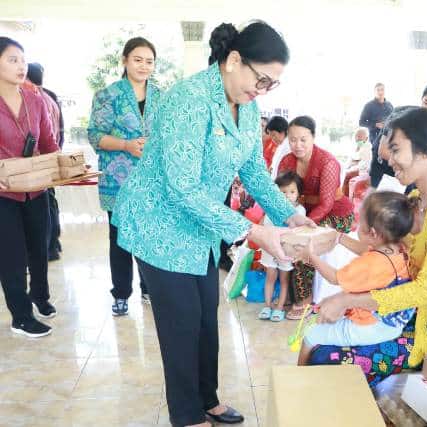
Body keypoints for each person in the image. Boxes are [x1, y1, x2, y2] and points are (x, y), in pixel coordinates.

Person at [112, 22, 312, 427]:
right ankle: (186, 415)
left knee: (206, 315)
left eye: (271, 84)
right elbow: (182, 188)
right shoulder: (189, 98)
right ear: (234, 60)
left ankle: (208, 398)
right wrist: (255, 232)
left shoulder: (247, 104)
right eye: (261, 79)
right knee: (181, 324)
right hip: (161, 226)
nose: (262, 89)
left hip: (201, 228)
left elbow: (253, 170)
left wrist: (289, 214)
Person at [308, 108, 427, 387]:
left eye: (396, 149)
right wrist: (337, 238)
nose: (388, 157)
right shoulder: (413, 198)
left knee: (328, 357)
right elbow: (386, 256)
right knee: (320, 336)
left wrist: (347, 299)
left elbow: (425, 290)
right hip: (402, 313)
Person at [87, 37, 162, 314]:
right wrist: (126, 146)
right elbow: (95, 136)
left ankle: (149, 288)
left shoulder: (160, 96)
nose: (144, 66)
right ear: (125, 61)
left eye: (149, 61)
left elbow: (165, 136)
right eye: (138, 59)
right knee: (119, 239)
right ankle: (120, 293)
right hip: (118, 182)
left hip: (151, 182)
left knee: (149, 237)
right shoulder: (108, 95)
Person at [296, 191, 415, 365]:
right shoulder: (399, 249)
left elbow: (335, 277)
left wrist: (311, 256)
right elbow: (366, 249)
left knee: (310, 334)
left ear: (373, 233)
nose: (356, 224)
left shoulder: (370, 264)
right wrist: (339, 237)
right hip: (395, 322)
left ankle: (298, 377)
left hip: (372, 327)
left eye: (360, 222)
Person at [0, 37, 59, 337]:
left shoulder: (35, 100)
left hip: (36, 189)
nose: (21, 66)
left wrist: (63, 165)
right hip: (3, 194)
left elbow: (48, 143)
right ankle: (20, 317)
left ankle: (40, 297)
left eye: (23, 60)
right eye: (12, 60)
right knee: (10, 256)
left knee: (40, 247)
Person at [278, 115, 355, 319]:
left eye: (303, 139)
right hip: (301, 213)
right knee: (282, 238)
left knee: (305, 243)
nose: (297, 144)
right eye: (292, 139)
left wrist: (303, 226)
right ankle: (285, 293)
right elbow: (280, 195)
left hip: (334, 213)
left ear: (313, 137)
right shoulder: (287, 160)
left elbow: (326, 203)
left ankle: (304, 300)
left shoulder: (327, 162)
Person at [25, 62, 65, 261]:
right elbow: (61, 132)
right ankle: (53, 244)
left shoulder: (32, 99)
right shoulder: (50, 96)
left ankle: (47, 247)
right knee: (50, 203)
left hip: (37, 163)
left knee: (43, 206)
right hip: (50, 158)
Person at [258, 171, 306, 322]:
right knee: (270, 277)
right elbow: (263, 226)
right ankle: (267, 305)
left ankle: (279, 307)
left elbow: (296, 232)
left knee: (284, 279)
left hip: (286, 251)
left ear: (298, 193)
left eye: (292, 192)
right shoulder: (271, 208)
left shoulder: (299, 211)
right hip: (269, 249)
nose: (287, 195)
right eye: (283, 192)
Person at [343, 127, 371, 198]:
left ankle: (344, 198)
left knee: (348, 174)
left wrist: (354, 164)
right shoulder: (357, 146)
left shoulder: (368, 147)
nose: (358, 138)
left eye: (360, 136)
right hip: (356, 167)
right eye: (356, 136)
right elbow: (351, 160)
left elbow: (363, 163)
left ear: (366, 138)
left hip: (363, 170)